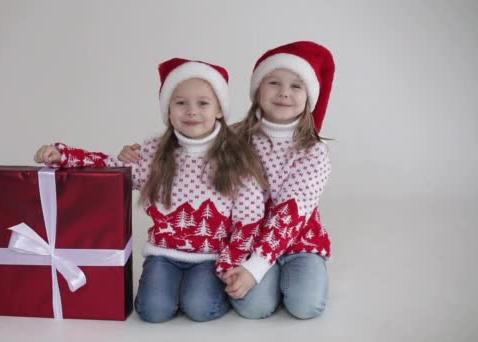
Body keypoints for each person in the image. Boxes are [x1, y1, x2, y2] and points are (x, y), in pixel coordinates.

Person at [34, 58, 267, 323]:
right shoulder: (153, 153)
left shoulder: (235, 158)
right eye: (181, 103)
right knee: (152, 311)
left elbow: (249, 218)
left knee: (200, 309)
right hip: (164, 254)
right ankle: (172, 288)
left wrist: (230, 261)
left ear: (219, 111)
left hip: (210, 257)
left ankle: (197, 291)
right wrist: (64, 156)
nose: (191, 111)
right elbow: (110, 165)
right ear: (168, 111)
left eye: (202, 103)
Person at [118, 41, 336, 320]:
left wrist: (255, 269)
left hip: (297, 241)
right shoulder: (232, 139)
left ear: (309, 97)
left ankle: (303, 274)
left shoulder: (313, 153)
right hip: (246, 241)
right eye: (274, 83)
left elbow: (289, 217)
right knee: (253, 308)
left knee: (305, 306)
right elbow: (190, 151)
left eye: (296, 86)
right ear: (257, 90)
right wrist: (135, 156)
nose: (284, 92)